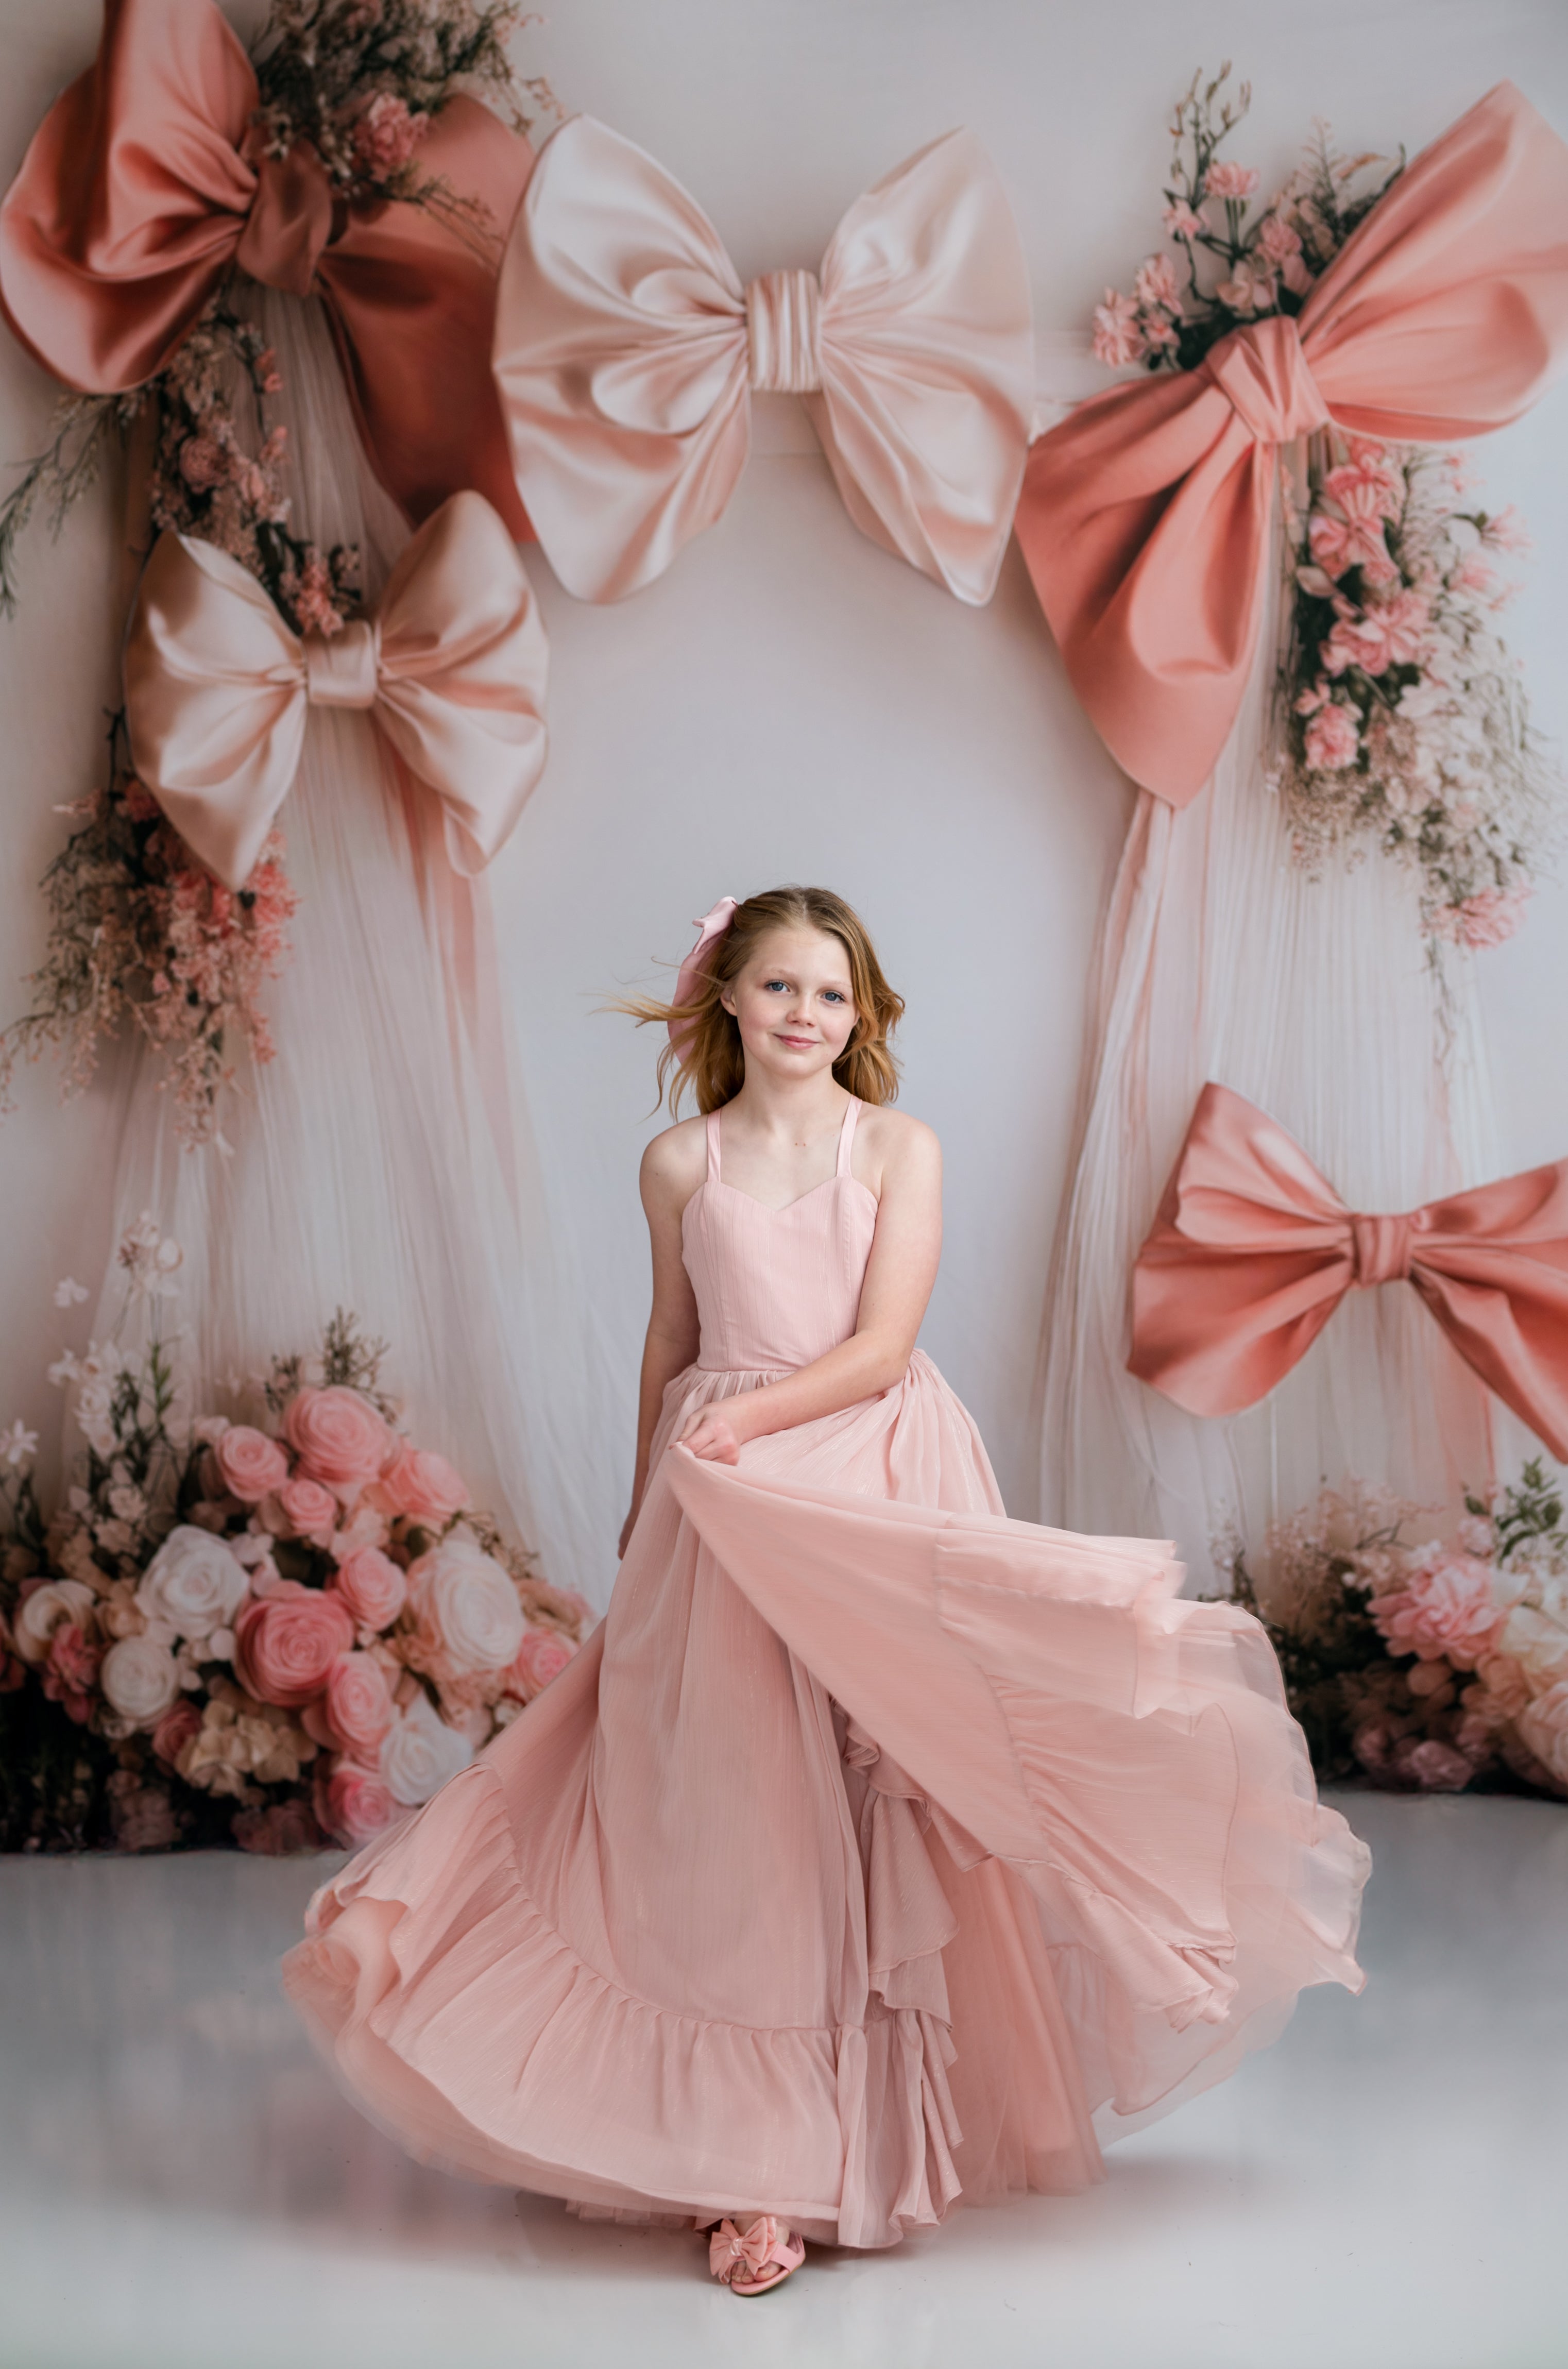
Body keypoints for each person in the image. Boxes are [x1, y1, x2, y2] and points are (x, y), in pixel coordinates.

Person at [283, 885, 1369, 2297]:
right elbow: (672, 1340)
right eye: (781, 987)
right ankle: (738, 2150)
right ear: (727, 997)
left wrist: (745, 1423)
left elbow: (882, 1342)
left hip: (860, 1464)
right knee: (729, 1812)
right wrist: (644, 1492)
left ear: (861, 1017)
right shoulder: (679, 1162)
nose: (806, 1014)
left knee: (866, 1799)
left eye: (832, 995)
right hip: (715, 1495)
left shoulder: (897, 1149)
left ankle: (814, 2160)